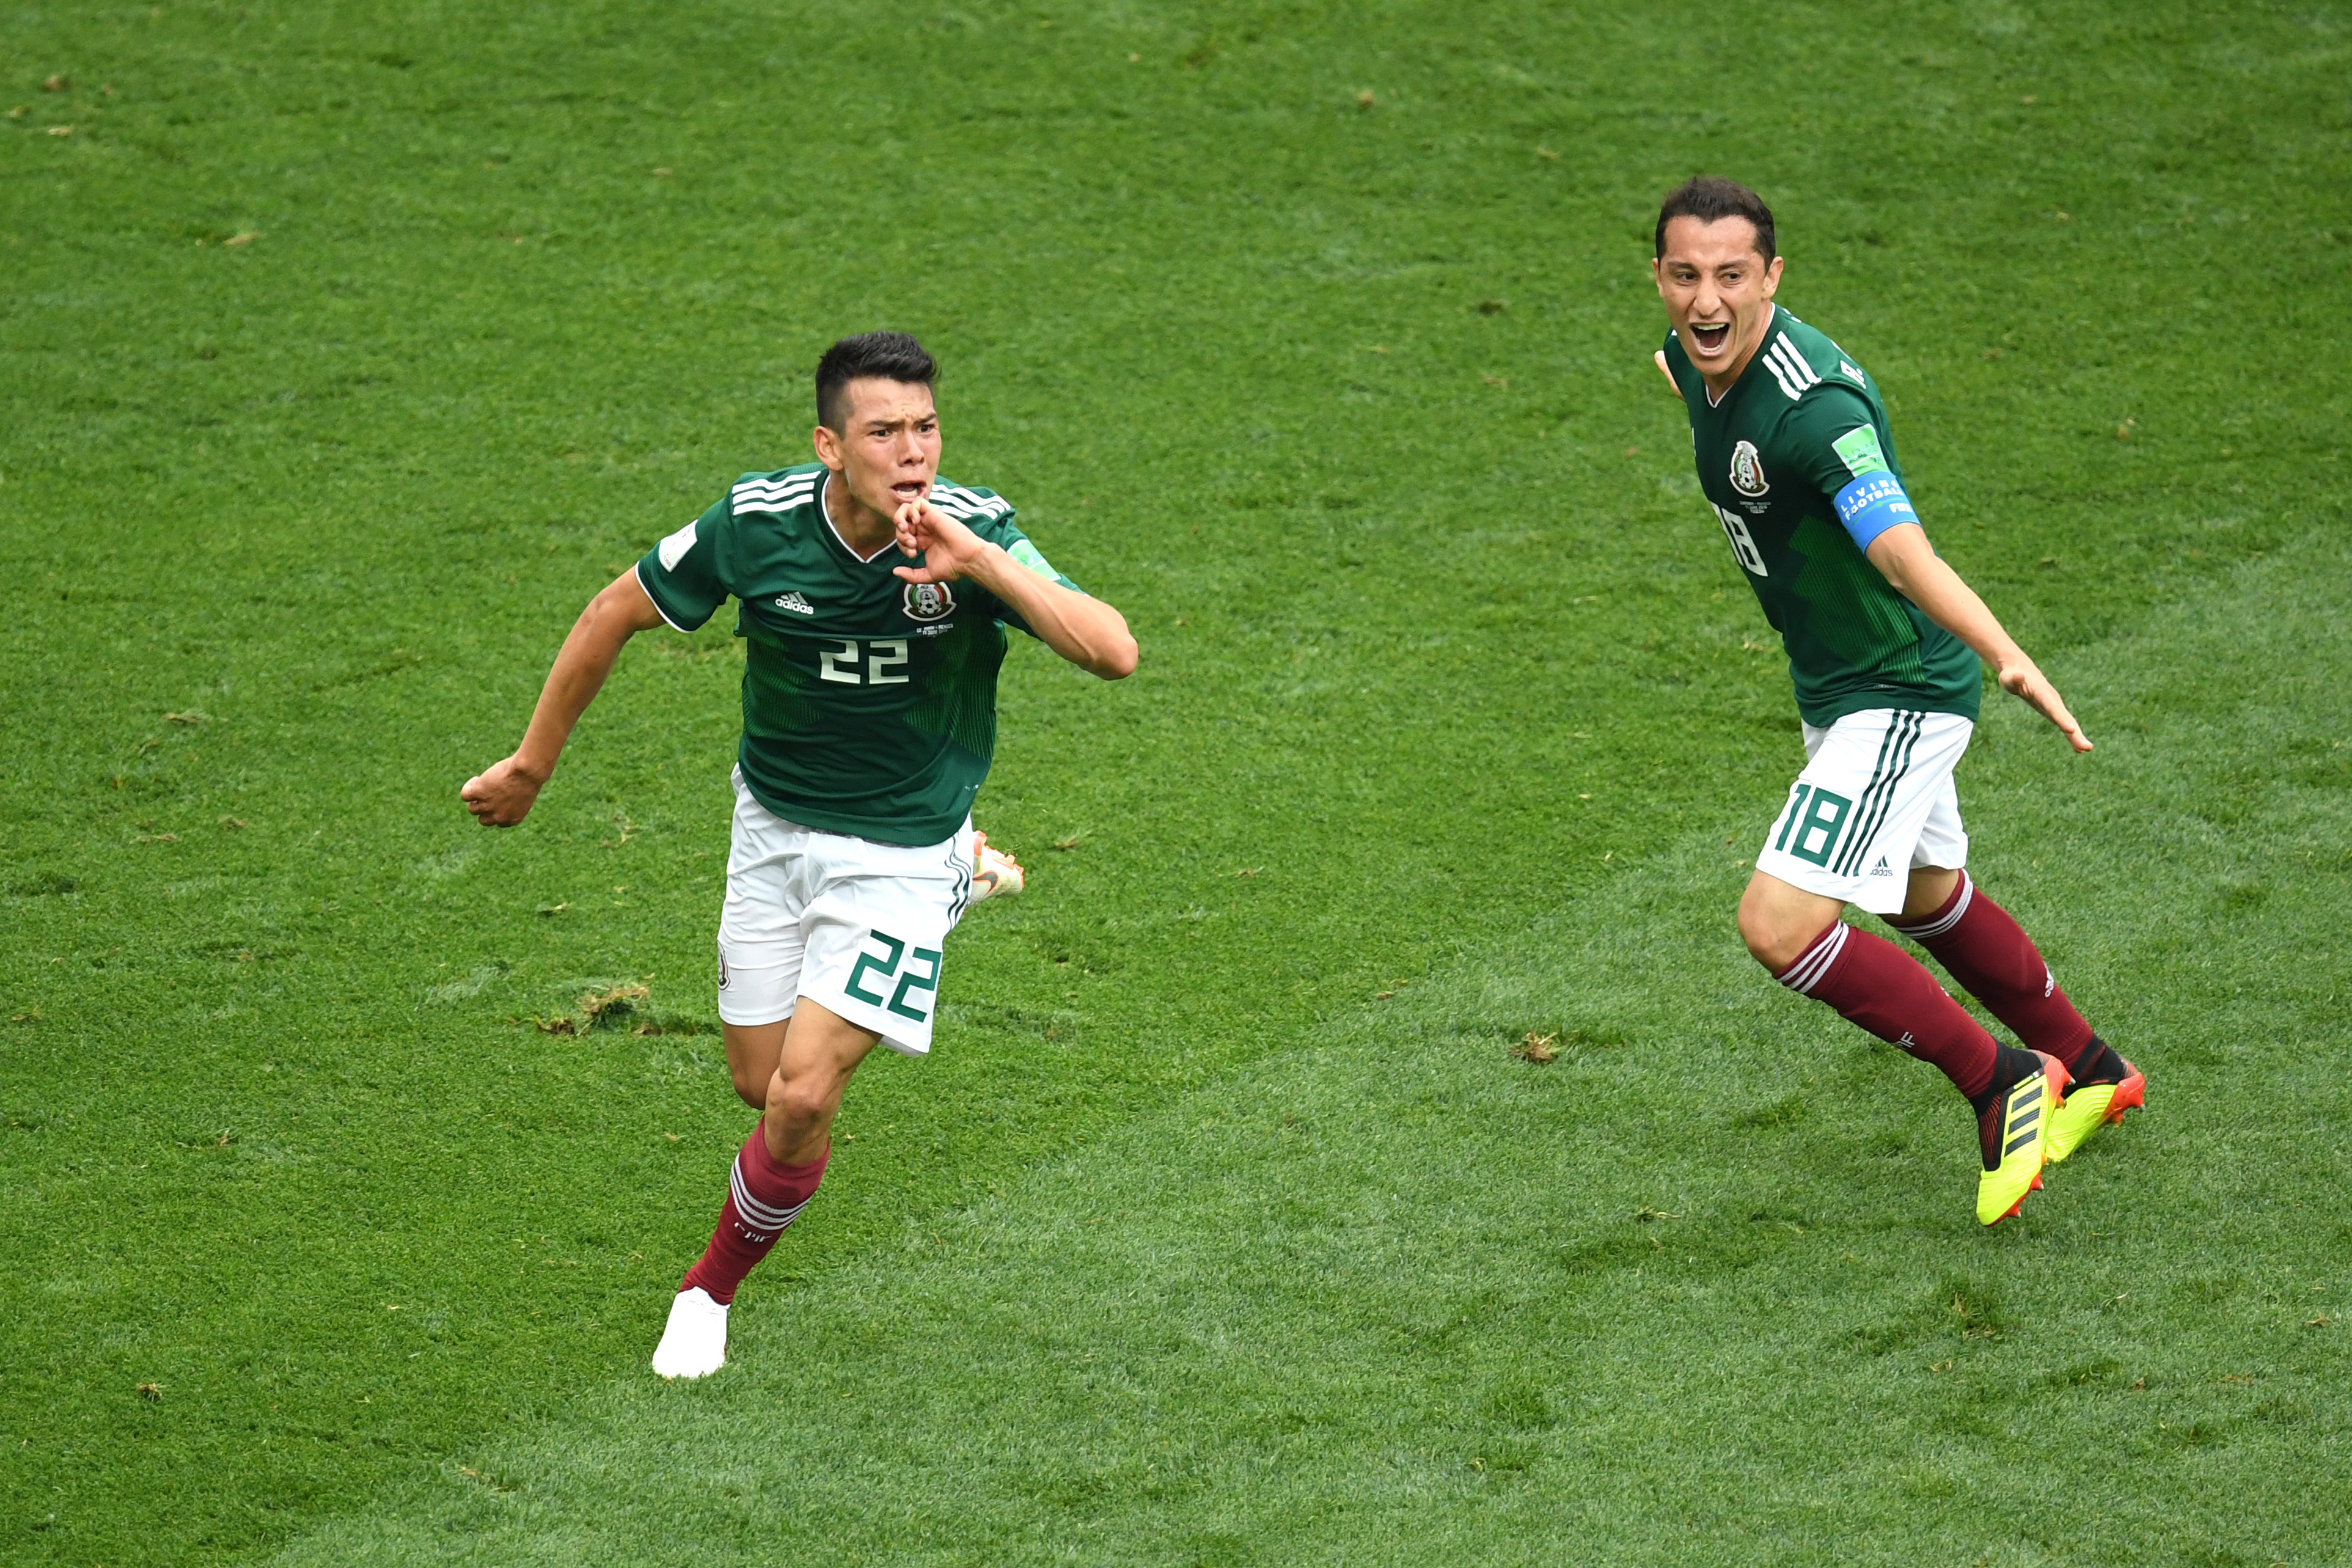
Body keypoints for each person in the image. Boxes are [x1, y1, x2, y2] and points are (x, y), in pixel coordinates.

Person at [460, 331, 1138, 1373]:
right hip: (773, 829)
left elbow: (1113, 651)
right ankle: (966, 876)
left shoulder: (978, 530)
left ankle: (706, 1291)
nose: (912, 452)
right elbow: (612, 612)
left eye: (926, 427)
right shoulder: (756, 522)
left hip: (899, 851)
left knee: (803, 1097)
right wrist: (529, 767)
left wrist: (979, 562)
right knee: (758, 1080)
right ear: (830, 445)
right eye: (884, 432)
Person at [1647, 177, 2143, 1226]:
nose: (1706, 299)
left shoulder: (1816, 414)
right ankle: (2093, 1069)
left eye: (1731, 275)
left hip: (1899, 688)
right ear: (1658, 277)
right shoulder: (1692, 358)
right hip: (1838, 683)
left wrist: (2007, 656)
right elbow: (1689, 377)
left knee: (1778, 923)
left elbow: (1900, 549)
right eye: (1685, 275)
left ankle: (2000, 1079)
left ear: (1772, 278)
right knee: (1921, 894)